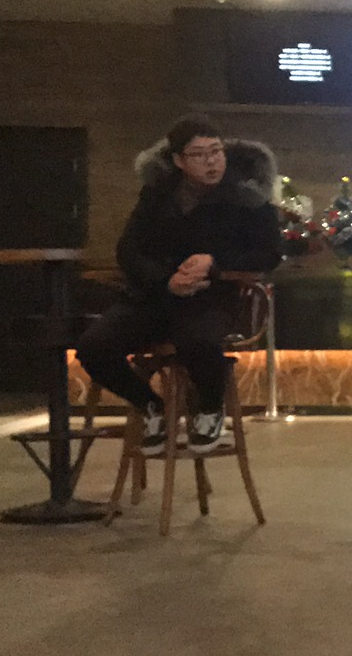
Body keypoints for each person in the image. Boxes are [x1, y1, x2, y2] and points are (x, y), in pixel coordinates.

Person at [77, 116, 282, 456]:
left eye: (216, 151)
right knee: (93, 347)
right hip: (154, 296)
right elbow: (128, 250)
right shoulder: (158, 194)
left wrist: (214, 262)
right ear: (178, 160)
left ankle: (210, 407)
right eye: (199, 154)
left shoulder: (247, 195)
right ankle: (150, 406)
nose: (211, 161)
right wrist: (165, 281)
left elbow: (269, 254)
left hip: (212, 297)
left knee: (196, 340)